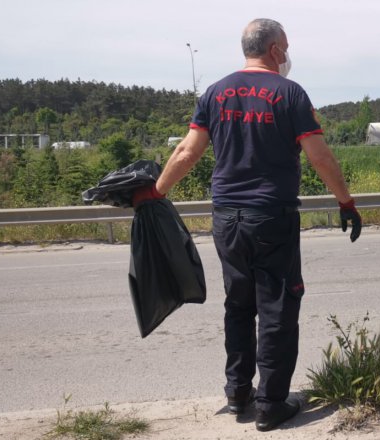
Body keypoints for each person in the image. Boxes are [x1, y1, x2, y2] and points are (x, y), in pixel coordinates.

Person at [133, 18, 361, 432]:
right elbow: (321, 158)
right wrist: (345, 202)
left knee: (239, 305)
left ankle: (238, 392)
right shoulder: (289, 94)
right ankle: (271, 404)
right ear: (275, 49)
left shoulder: (215, 92)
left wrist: (157, 191)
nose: (288, 55)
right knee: (276, 307)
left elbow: (187, 151)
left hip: (226, 219)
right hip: (271, 217)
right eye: (286, 47)